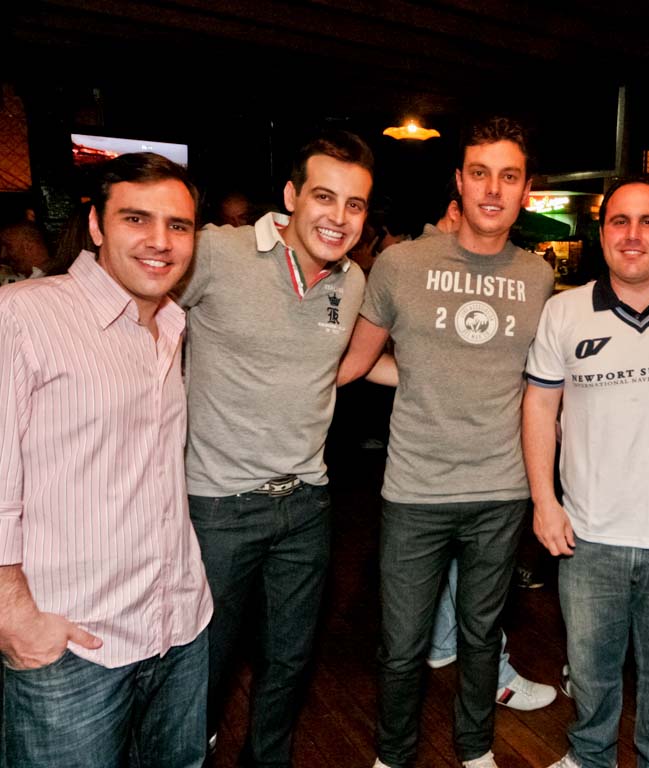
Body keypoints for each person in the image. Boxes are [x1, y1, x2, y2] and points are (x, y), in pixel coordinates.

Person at [338, 116, 554, 768]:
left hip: (501, 490)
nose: (493, 189)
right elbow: (355, 363)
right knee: (403, 644)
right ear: (459, 181)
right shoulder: (401, 265)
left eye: (509, 177)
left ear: (526, 191)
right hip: (415, 490)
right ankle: (392, 756)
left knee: (482, 635)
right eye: (480, 173)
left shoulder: (539, 278)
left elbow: (542, 385)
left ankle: (476, 749)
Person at [0, 152, 212, 767]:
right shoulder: (24, 314)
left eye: (178, 225)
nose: (160, 241)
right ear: (95, 225)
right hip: (74, 644)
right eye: (136, 219)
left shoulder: (171, 325)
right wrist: (13, 615)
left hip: (178, 627)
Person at [178, 130, 373, 766]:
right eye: (324, 196)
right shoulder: (217, 251)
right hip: (218, 504)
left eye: (354, 204)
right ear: (291, 196)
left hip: (307, 501)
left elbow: (332, 366)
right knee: (203, 661)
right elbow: (143, 320)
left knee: (289, 661)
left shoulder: (353, 281)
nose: (339, 217)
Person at [524, 175, 649, 768]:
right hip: (589, 530)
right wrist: (544, 501)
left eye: (648, 221)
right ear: (602, 231)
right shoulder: (563, 310)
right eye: (620, 221)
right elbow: (539, 407)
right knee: (591, 670)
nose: (633, 234)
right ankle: (591, 757)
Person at [419, 189, 556, 711]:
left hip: (479, 458)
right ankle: (491, 673)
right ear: (457, 207)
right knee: (478, 581)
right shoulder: (417, 268)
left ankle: (443, 642)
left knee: (465, 568)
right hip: (448, 460)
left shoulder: (529, 274)